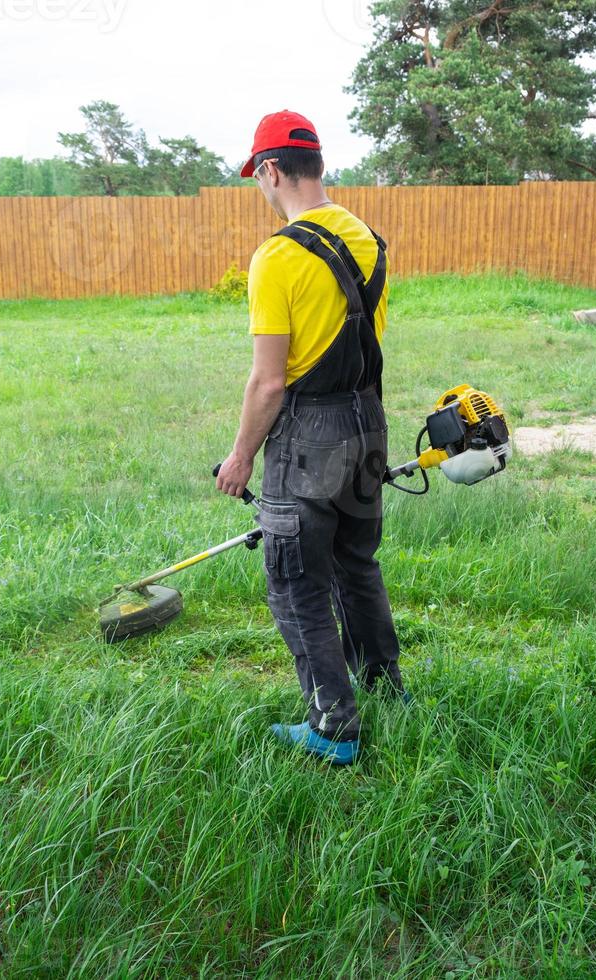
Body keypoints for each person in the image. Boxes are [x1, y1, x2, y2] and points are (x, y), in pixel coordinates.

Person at [215, 109, 405, 765]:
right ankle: (386, 687)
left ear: (271, 170)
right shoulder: (368, 238)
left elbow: (269, 383)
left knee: (297, 582)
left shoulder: (278, 255)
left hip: (310, 436)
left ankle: (334, 728)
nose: (261, 190)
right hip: (368, 422)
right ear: (317, 163)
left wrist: (240, 458)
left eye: (258, 178)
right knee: (356, 565)